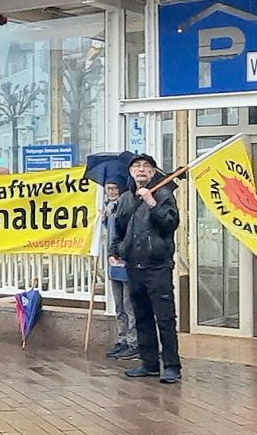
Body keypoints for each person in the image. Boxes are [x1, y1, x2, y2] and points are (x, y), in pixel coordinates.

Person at [109, 154, 181, 384]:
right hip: (134, 267)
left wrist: (152, 202)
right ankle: (149, 363)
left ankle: (172, 365)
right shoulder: (125, 199)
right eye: (137, 166)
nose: (141, 170)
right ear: (131, 172)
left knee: (165, 318)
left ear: (152, 172)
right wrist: (114, 251)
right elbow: (117, 228)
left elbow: (170, 223)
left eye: (146, 167)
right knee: (141, 317)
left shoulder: (163, 194)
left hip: (157, 266)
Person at [103, 179, 138, 361]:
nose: (112, 191)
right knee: (118, 305)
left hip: (125, 262)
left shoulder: (126, 208)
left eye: (115, 188)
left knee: (128, 304)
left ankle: (134, 343)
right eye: (109, 188)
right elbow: (109, 234)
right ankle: (122, 339)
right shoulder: (109, 210)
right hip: (112, 263)